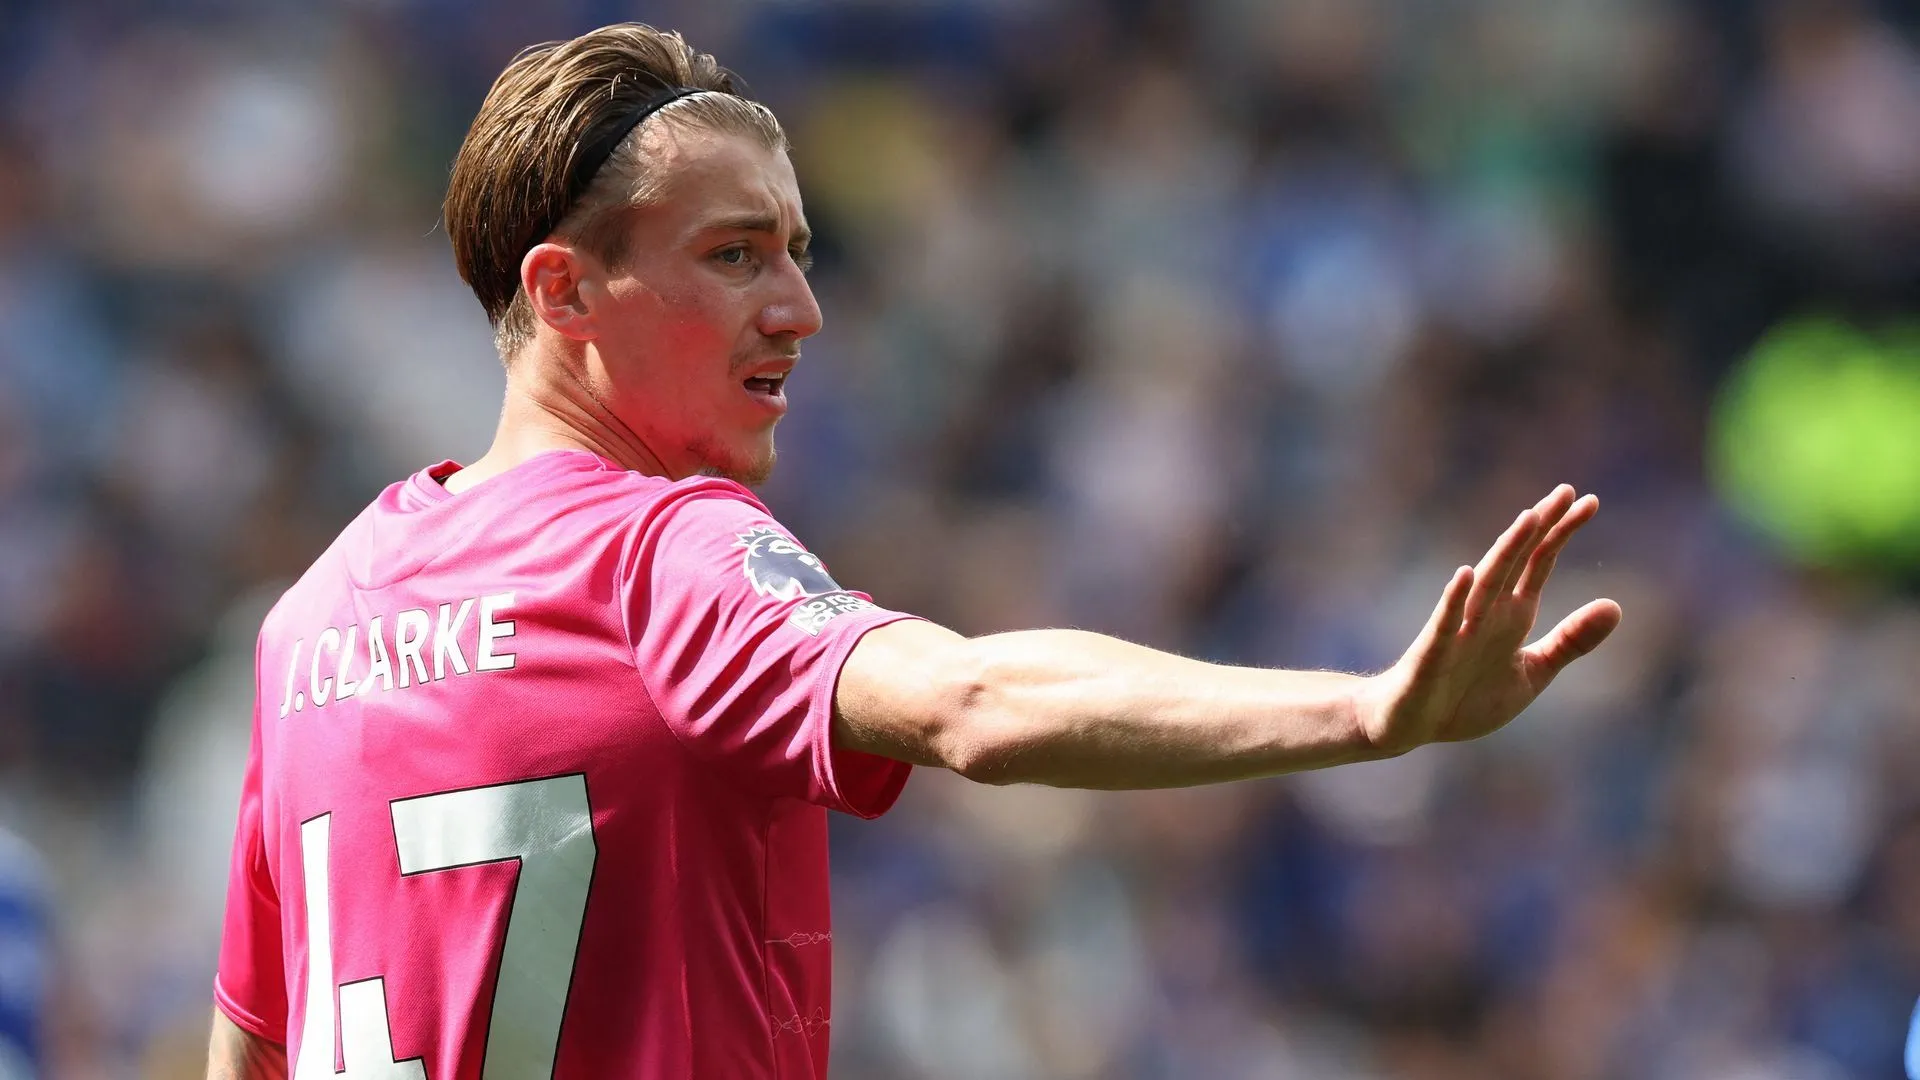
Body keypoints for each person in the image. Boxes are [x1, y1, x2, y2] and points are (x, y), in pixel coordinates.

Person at [205, 22, 1623, 1080]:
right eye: (737, 254)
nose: (802, 310)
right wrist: (1364, 713)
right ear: (566, 288)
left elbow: (247, 1055)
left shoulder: (312, 621)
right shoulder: (657, 555)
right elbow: (974, 702)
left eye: (799, 250)